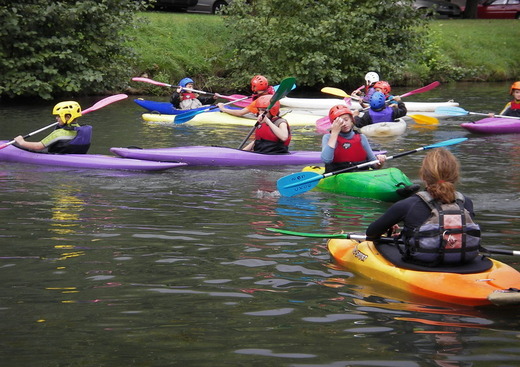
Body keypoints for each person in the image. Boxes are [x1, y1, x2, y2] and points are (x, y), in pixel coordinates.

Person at [366, 148, 481, 267]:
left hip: (422, 262)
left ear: (423, 176)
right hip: (465, 260)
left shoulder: (408, 204)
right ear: (455, 175)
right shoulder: (466, 202)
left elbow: (371, 233)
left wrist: (392, 230)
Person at [321, 105, 386, 173]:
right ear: (334, 124)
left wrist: (380, 162)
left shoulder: (361, 137)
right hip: (338, 177)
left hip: (360, 176)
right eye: (340, 122)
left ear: (351, 120)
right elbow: (326, 160)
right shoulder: (328, 137)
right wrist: (334, 133)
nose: (344, 124)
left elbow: (375, 166)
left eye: (346, 120)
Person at [14, 101, 92, 154]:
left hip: (59, 156)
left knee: (18, 145)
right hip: (76, 155)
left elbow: (38, 146)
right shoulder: (81, 129)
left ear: (68, 117)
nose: (56, 118)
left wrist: (22, 142)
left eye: (58, 116)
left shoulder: (59, 133)